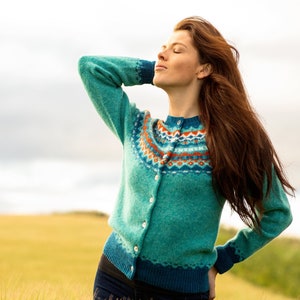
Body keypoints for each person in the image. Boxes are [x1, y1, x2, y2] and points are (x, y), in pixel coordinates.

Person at [78, 16, 294, 300]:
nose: (162, 53)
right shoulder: (137, 129)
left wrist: (223, 260)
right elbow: (91, 68)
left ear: (204, 68)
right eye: (163, 48)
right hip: (113, 279)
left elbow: (277, 214)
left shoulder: (229, 141)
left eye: (177, 50)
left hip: (180, 293)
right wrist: (154, 70)